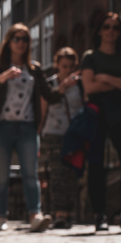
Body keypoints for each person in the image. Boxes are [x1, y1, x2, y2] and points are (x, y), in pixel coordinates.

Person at [0, 24, 64, 233]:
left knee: (31, 173)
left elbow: (50, 95)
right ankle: (1, 217)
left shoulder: (34, 69)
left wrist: (64, 86)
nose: (21, 43)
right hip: (1, 127)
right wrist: (4, 76)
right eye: (17, 39)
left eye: (25, 40)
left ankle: (34, 215)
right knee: (1, 176)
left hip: (27, 128)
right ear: (9, 42)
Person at [80, 13, 121, 232]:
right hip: (97, 113)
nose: (111, 31)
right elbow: (89, 88)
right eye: (106, 27)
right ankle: (99, 214)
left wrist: (106, 79)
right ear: (99, 31)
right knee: (96, 164)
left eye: (115, 28)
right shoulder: (90, 57)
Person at [39, 47, 85, 228]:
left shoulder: (80, 85)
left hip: (74, 135)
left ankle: (69, 211)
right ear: (56, 65)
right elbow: (43, 110)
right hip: (53, 134)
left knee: (72, 174)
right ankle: (59, 213)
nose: (66, 70)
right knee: (57, 174)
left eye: (70, 66)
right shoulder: (50, 84)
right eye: (63, 66)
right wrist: (38, 133)